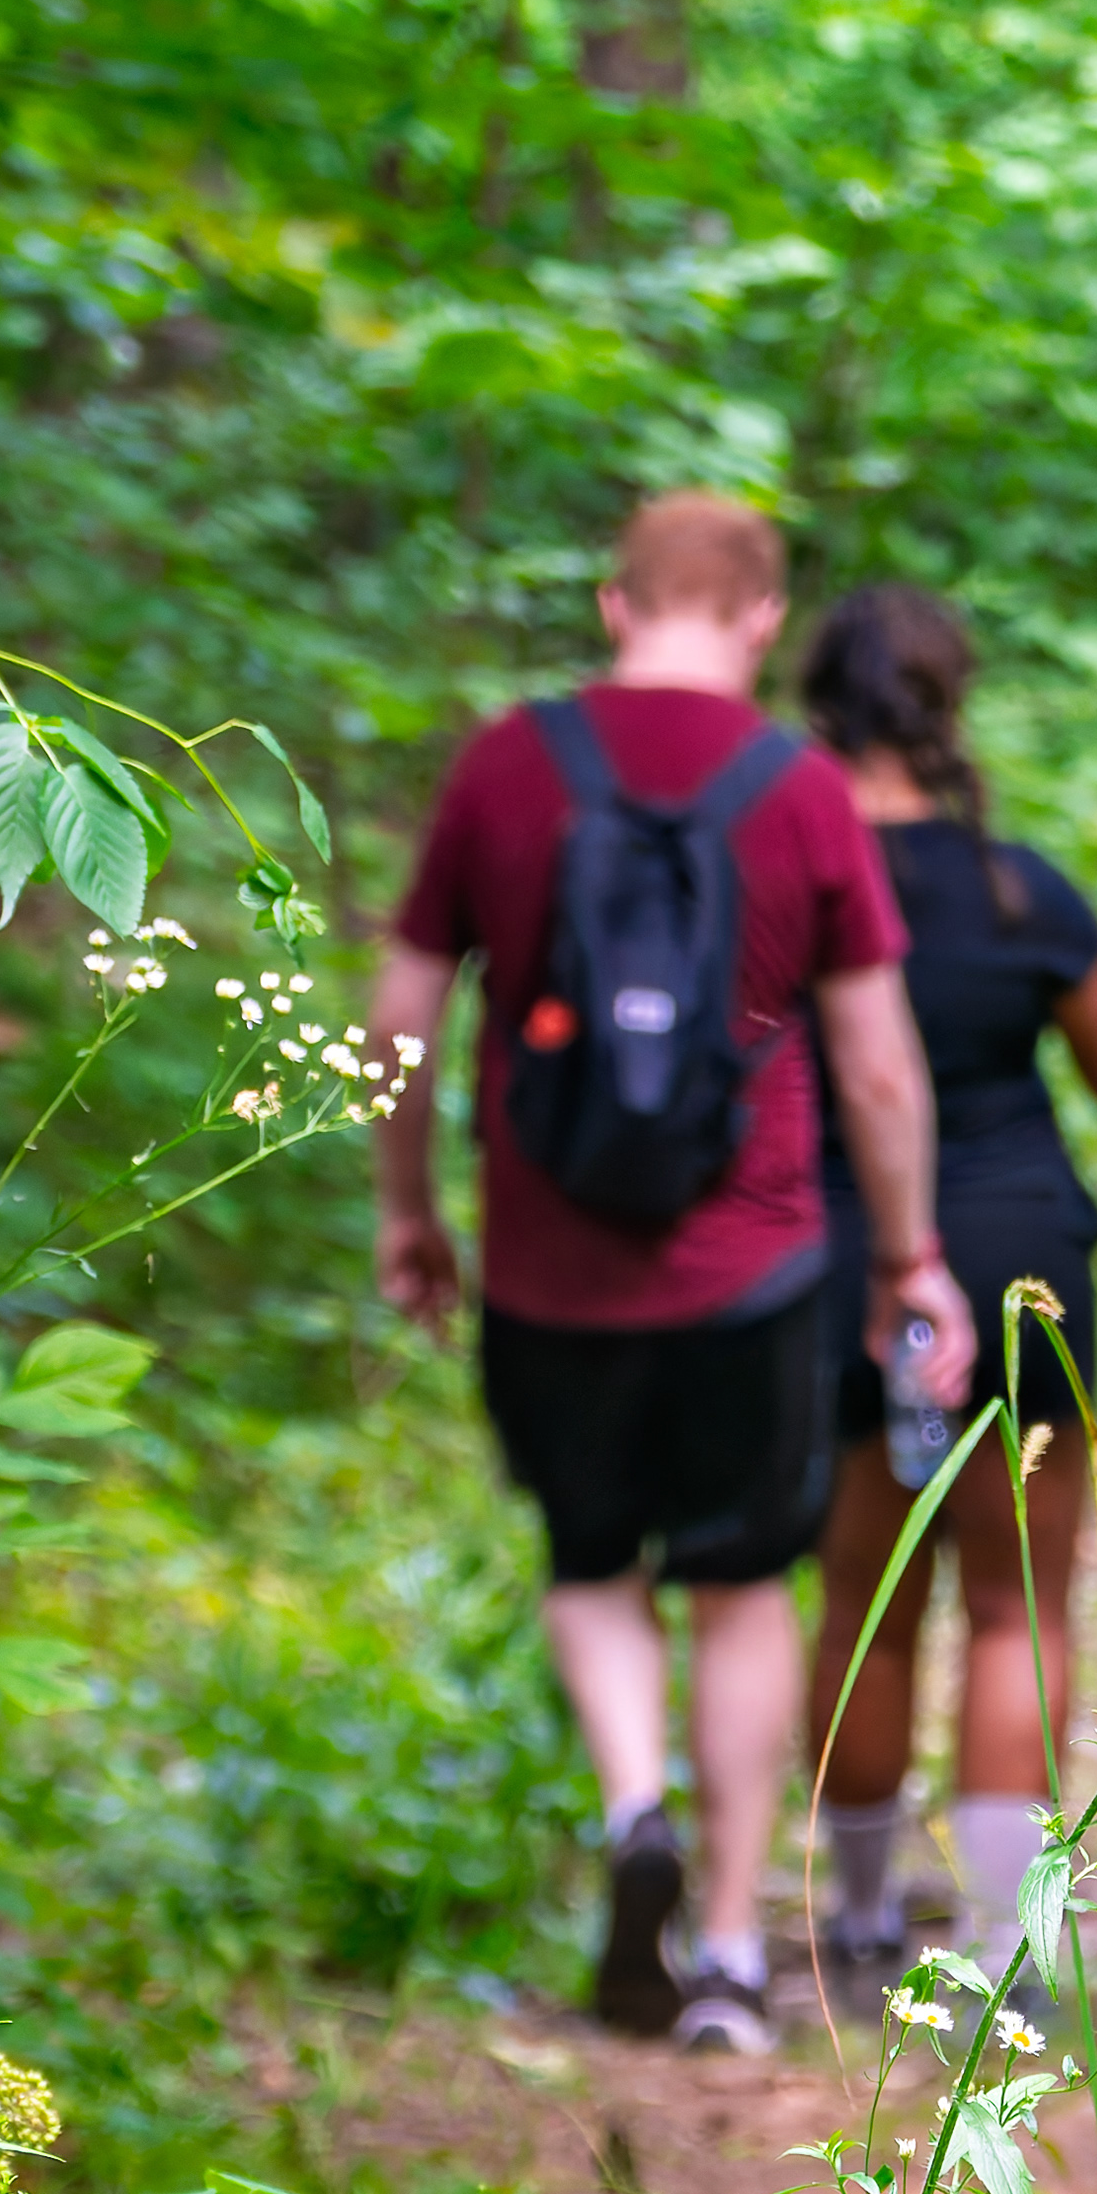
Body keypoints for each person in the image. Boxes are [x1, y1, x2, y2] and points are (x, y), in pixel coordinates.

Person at [368, 495, 976, 2057]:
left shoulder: (508, 762)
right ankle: (718, 1949)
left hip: (548, 1264)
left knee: (591, 1561)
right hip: (753, 1267)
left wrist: (409, 1206)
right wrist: (909, 1254)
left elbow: (403, 1013)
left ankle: (632, 1796)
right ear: (765, 619)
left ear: (610, 598)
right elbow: (881, 1067)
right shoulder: (799, 789)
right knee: (742, 1585)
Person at [796, 581, 1097, 2024]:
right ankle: (1007, 1938)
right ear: (953, 708)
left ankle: (866, 1915)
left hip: (840, 1267)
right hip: (1024, 1269)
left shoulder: (792, 890)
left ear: (815, 709)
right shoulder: (1022, 892)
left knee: (862, 1607)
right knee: (1019, 1603)